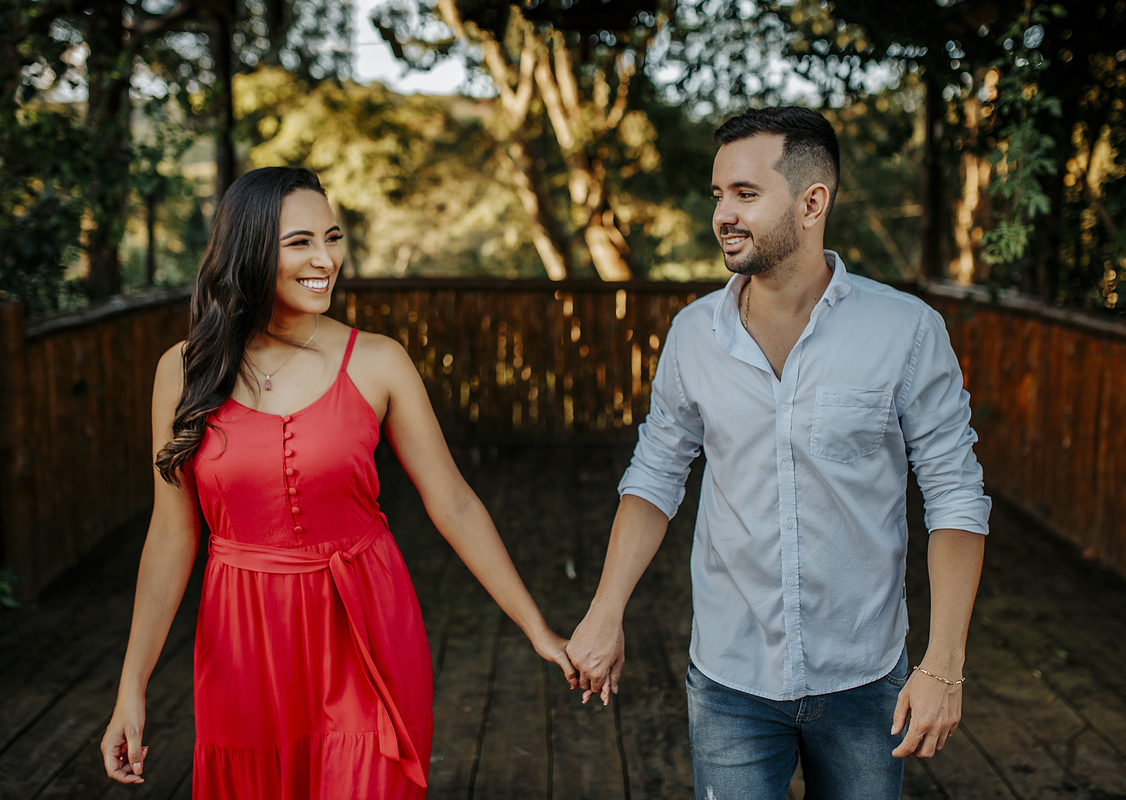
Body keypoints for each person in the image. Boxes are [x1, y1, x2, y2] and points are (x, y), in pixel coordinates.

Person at [100, 166, 577, 799]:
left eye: (332, 238)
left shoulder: (378, 361)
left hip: (365, 626)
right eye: (299, 242)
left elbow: (454, 503)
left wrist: (536, 628)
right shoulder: (183, 372)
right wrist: (131, 686)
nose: (325, 259)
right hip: (244, 644)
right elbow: (170, 535)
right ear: (248, 250)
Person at [566, 107, 990, 799]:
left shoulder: (906, 331)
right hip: (730, 677)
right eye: (718, 195)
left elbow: (955, 496)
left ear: (812, 202)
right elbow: (655, 475)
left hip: (865, 675)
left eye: (745, 194)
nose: (723, 214)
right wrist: (605, 610)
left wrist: (943, 664)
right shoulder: (693, 334)